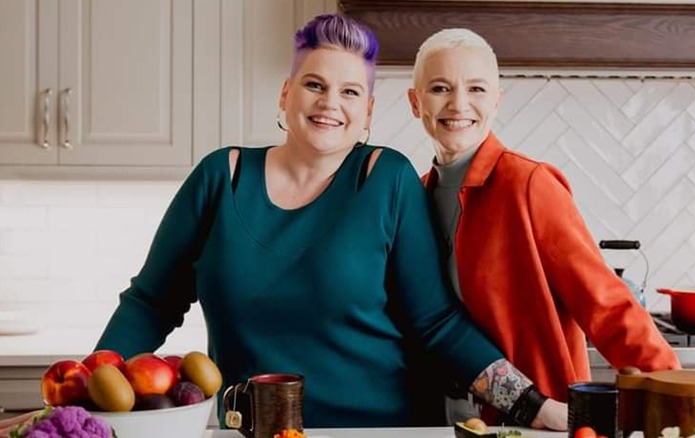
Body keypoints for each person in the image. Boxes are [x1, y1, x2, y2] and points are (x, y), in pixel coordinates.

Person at [90, 14, 567, 430]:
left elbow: (437, 323)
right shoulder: (223, 177)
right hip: (255, 431)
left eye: (350, 91)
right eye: (315, 85)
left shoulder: (386, 179)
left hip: (384, 434)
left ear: (368, 111)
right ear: (286, 93)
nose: (329, 103)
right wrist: (85, 395)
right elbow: (150, 303)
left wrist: (535, 407)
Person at [406, 28, 681, 425]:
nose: (459, 103)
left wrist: (673, 404)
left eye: (477, 89)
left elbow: (606, 304)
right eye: (440, 88)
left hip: (541, 420)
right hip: (447, 422)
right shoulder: (417, 196)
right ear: (416, 103)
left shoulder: (528, 184)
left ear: (497, 101)